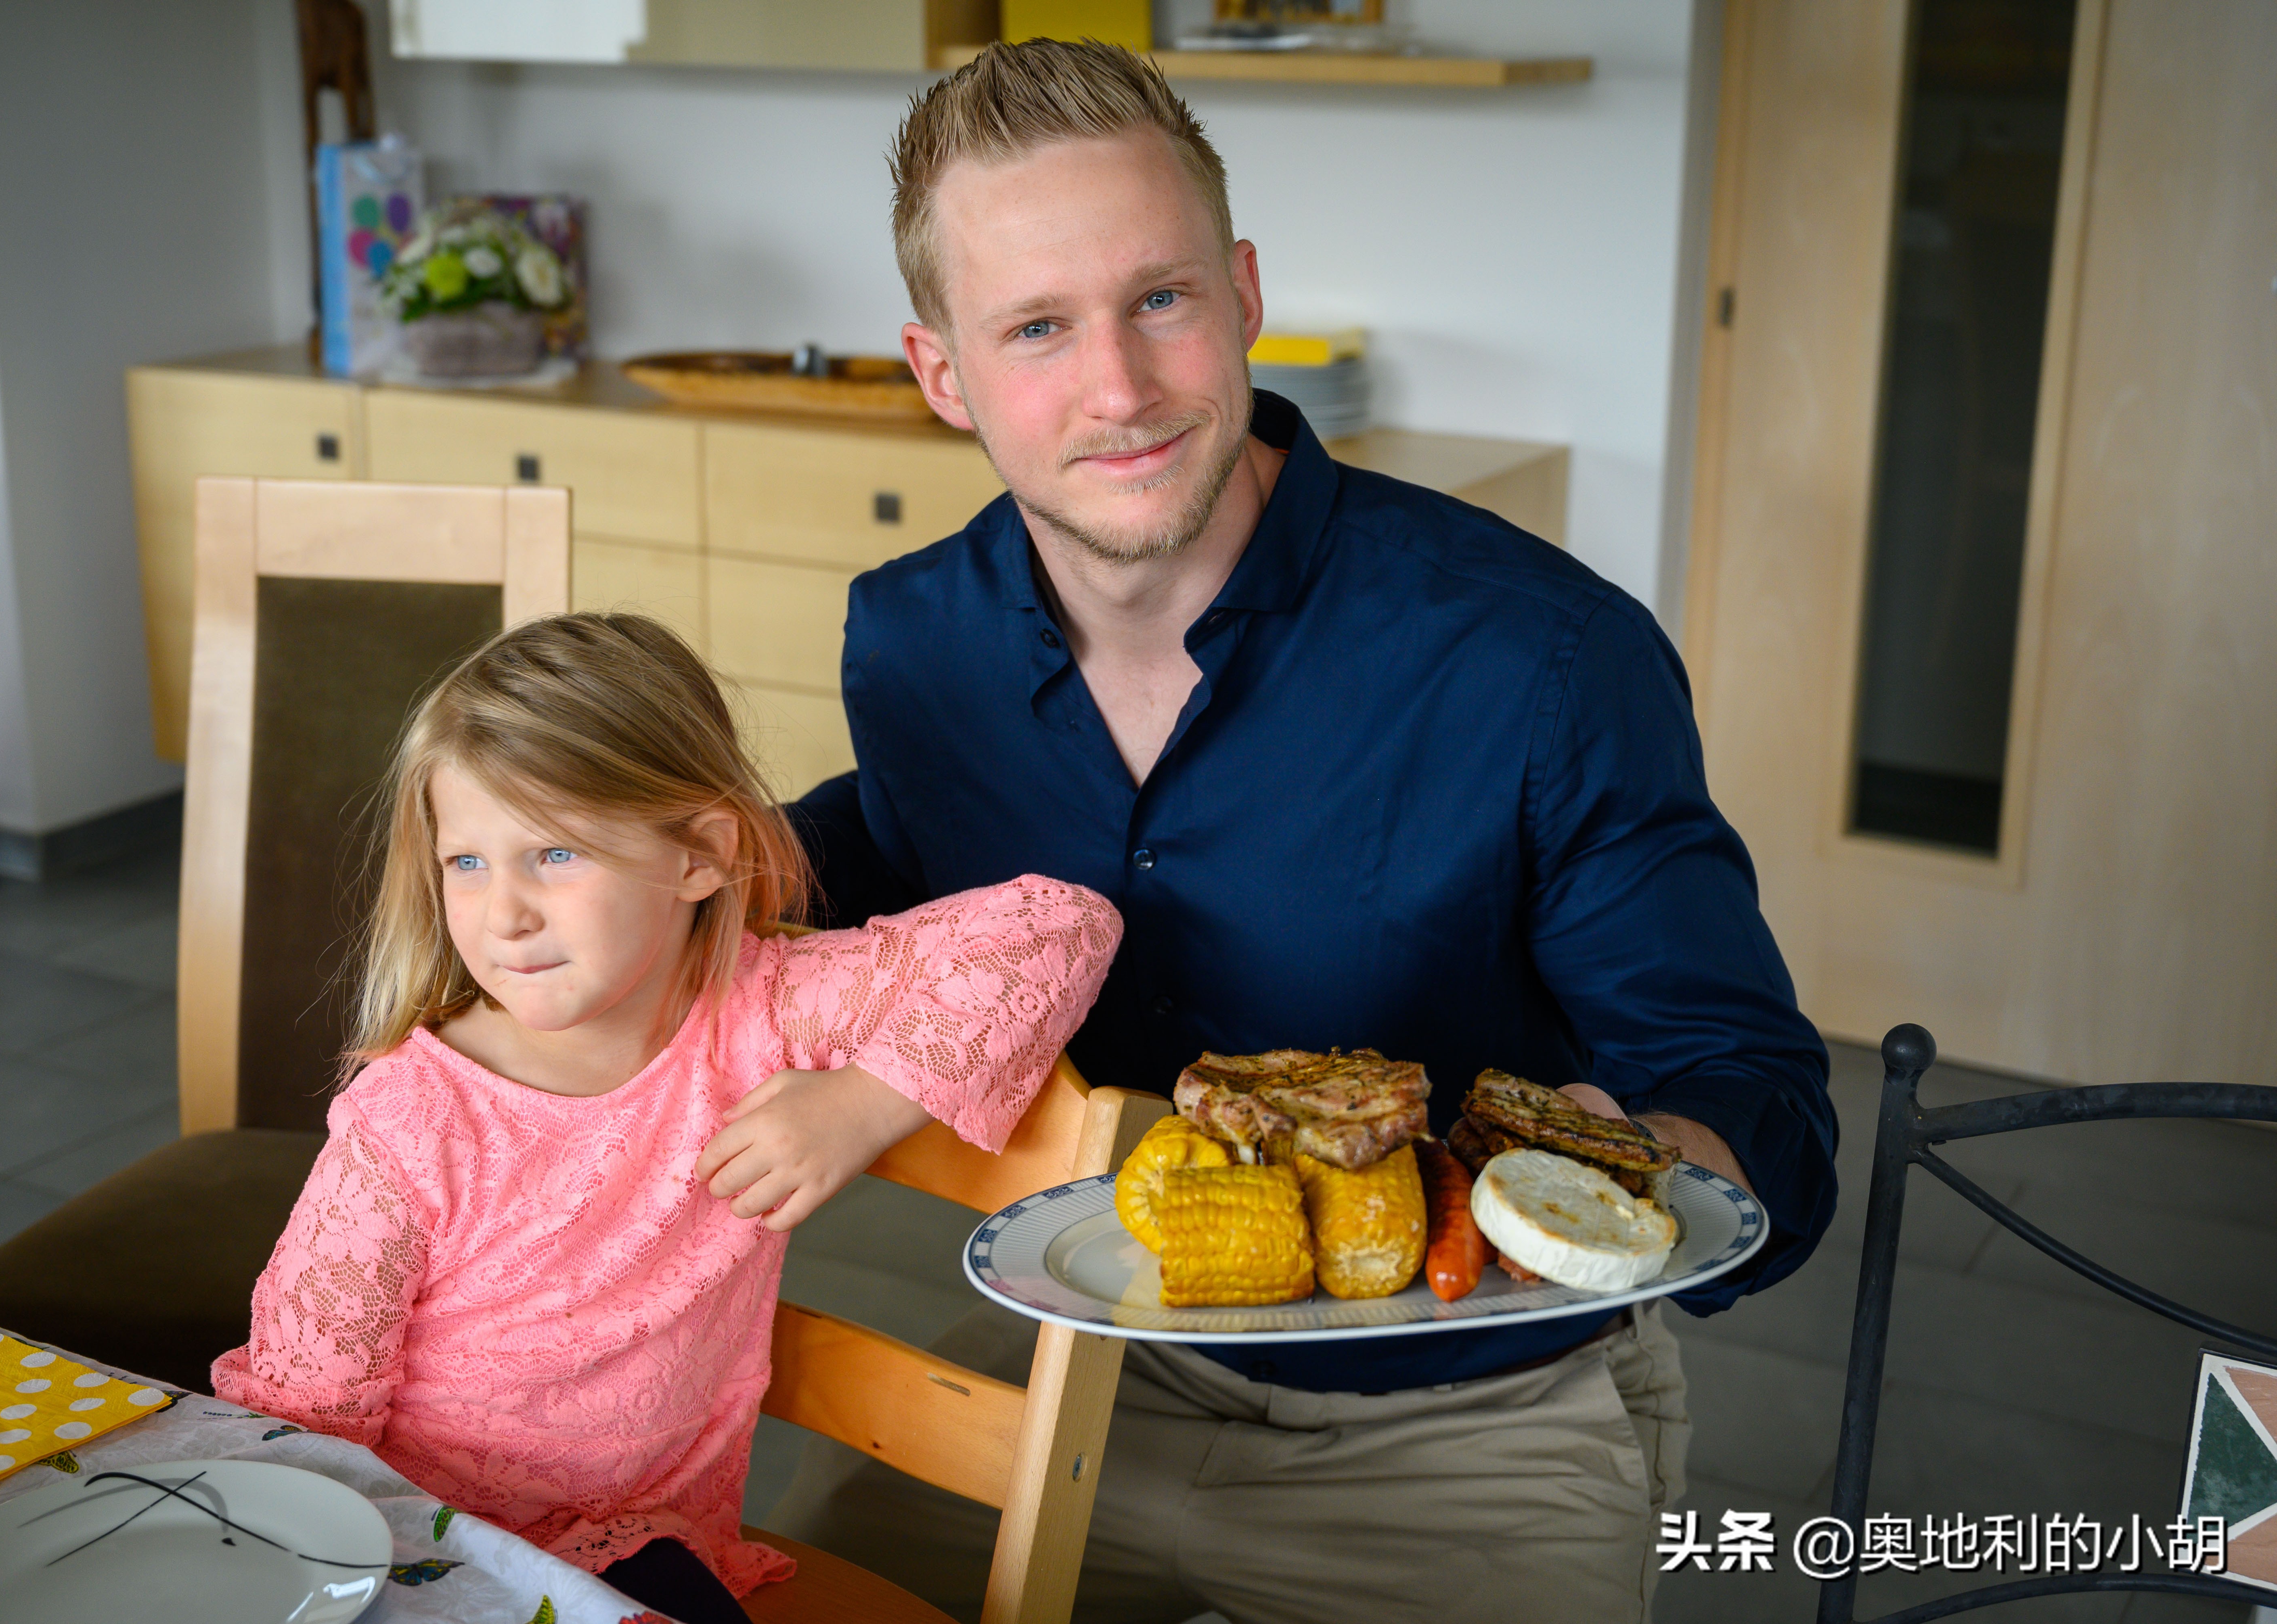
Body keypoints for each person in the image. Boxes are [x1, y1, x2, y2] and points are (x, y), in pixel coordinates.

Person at [771, 39, 1839, 1624]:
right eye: (1039, 329)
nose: (1121, 390)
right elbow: (895, 861)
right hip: (1100, 1368)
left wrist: (1595, 1180)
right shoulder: (913, 645)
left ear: (1246, 293)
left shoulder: (1541, 660)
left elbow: (1755, 1105)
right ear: (943, 375)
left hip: (1472, 1434)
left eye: (1161, 300)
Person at [212, 612, 1121, 1624]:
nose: (504, 912)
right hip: (419, 1544)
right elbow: (302, 1411)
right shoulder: (412, 1121)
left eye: (554, 852)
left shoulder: (758, 1009)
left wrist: (864, 1105)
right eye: (467, 861)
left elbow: (1060, 925)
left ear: (698, 857)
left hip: (639, 1542)